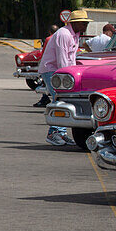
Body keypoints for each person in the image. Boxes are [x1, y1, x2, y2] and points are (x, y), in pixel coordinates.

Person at [38, 9, 91, 144]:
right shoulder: (64, 34)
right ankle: (53, 133)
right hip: (53, 70)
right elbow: (62, 59)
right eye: (83, 23)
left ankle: (61, 133)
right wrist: (67, 79)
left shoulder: (75, 34)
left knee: (65, 100)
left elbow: (71, 58)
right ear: (75, 23)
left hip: (62, 72)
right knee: (60, 98)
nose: (85, 26)